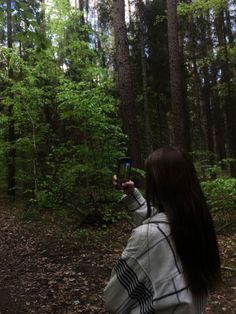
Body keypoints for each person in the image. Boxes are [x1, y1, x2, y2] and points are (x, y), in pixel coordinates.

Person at [104, 146, 221, 314]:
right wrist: (132, 196)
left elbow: (113, 300)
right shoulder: (198, 224)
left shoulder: (147, 236)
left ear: (156, 185)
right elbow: (165, 224)